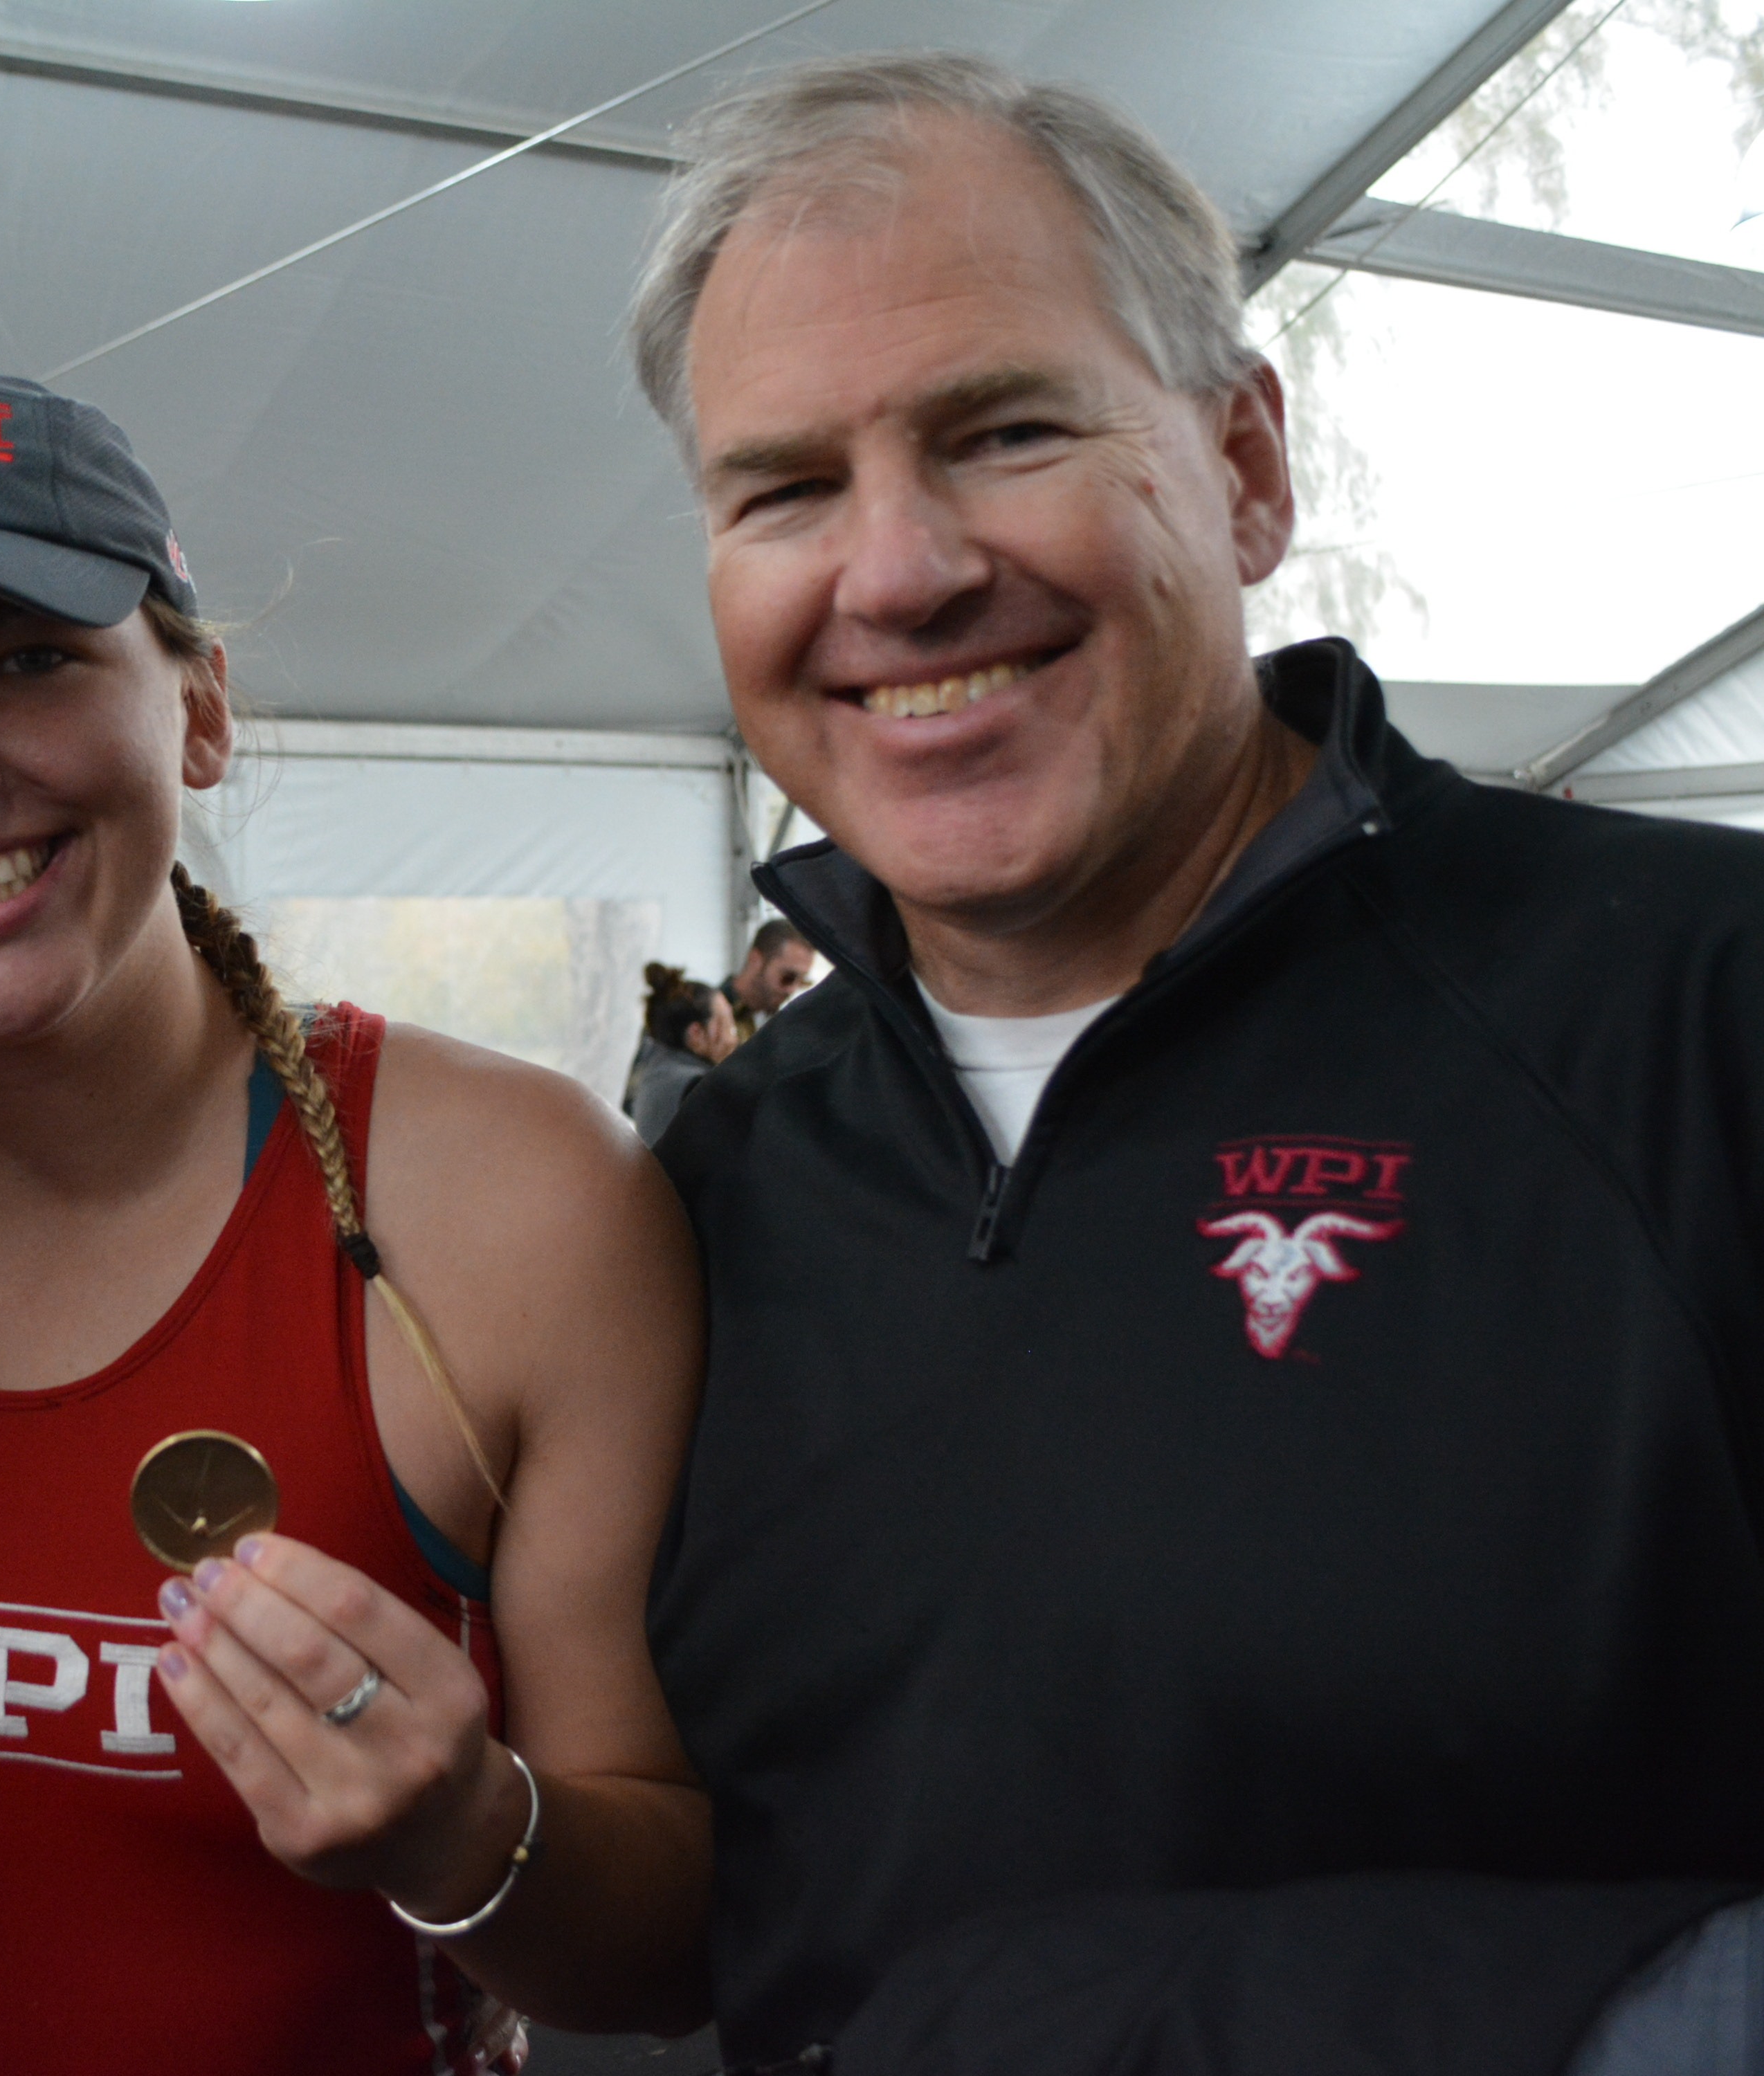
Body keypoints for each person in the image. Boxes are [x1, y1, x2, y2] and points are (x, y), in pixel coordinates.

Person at [631, 52, 1764, 2074]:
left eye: (1002, 431)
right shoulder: (704, 1194)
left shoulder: (1697, 1015)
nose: (894, 572)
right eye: (785, 487)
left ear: (1244, 466)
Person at [0, 374, 709, 2071]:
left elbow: (674, 1943)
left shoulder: (508, 1201)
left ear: (199, 709)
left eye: (28, 659)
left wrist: (469, 1833)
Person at [623, 962, 731, 1142]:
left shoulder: (658, 1074)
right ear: (697, 1034)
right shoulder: (695, 1088)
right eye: (730, 1027)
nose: (735, 1040)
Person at [718, 918, 814, 1044]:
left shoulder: (777, 1024)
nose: (792, 990)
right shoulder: (711, 1016)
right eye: (788, 978)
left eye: (802, 981)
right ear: (756, 960)